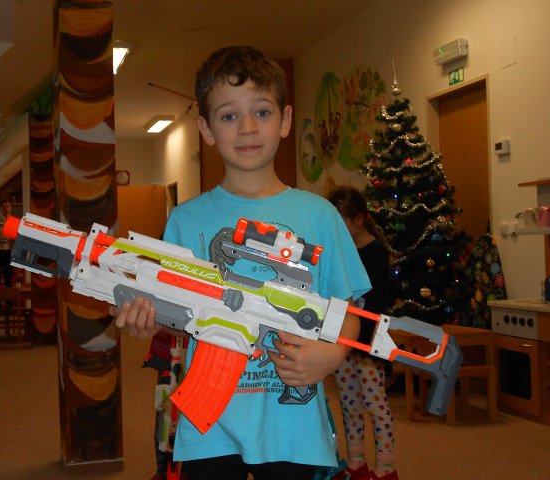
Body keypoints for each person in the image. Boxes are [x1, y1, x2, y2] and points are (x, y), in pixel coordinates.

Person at [112, 45, 370, 480]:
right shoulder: (185, 221)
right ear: (206, 129)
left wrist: (333, 353)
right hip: (209, 427)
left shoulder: (319, 216)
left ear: (285, 120)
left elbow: (348, 312)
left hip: (294, 426)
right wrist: (146, 322)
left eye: (262, 112)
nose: (247, 127)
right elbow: (178, 314)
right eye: (229, 115)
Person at [328, 186, 398, 480]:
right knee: (349, 401)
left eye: (342, 220)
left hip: (369, 341)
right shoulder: (341, 250)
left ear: (358, 219)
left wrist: (365, 340)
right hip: (343, 337)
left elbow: (377, 302)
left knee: (374, 403)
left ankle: (386, 467)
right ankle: (356, 461)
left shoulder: (375, 251)